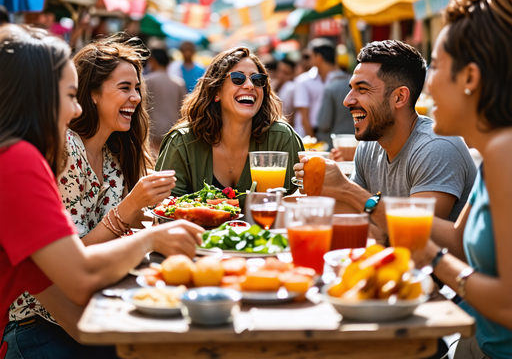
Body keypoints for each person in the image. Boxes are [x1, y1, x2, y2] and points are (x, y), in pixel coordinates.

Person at [0, 25, 203, 359]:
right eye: (68, 95)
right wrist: (153, 238)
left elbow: (51, 287)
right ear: (37, 95)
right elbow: (79, 275)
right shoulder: (20, 160)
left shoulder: (18, 156)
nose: (76, 109)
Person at [409, 0, 512, 358]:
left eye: (434, 66)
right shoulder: (492, 155)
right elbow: (465, 248)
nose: (428, 82)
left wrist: (431, 259)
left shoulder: (505, 152)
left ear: (470, 78)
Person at [294, 40, 476, 224]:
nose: (347, 101)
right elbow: (356, 219)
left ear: (399, 97)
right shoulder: (369, 146)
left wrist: (345, 189)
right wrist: (321, 188)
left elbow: (415, 234)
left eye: (362, 89)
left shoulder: (437, 147)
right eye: (352, 89)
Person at [156, 46, 304, 198]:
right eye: (237, 79)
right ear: (216, 91)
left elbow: (300, 203)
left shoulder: (282, 138)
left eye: (257, 80)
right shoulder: (182, 143)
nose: (249, 86)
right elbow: (164, 208)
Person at [294, 39, 340, 138]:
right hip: (309, 136)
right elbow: (304, 117)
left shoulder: (341, 79)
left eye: (310, 56)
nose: (307, 60)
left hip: (332, 134)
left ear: (318, 57)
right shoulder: (303, 81)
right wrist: (313, 139)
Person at [145, 47, 187, 154]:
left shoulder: (146, 81)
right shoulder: (178, 83)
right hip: (173, 132)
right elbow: (184, 109)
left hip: (151, 132)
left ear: (153, 61)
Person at [316, 68, 353, 148]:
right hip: (356, 141)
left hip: (336, 142)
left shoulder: (330, 88)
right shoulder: (356, 87)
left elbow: (324, 124)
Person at [276, 58, 296, 122]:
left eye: (286, 73)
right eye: (279, 71)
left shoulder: (290, 87)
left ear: (293, 74)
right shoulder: (275, 85)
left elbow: (288, 115)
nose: (281, 75)